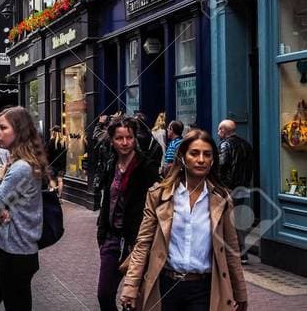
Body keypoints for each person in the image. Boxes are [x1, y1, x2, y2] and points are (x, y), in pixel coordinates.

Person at [121, 129, 248, 311]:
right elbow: (143, 243)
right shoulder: (159, 195)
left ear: (213, 160)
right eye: (194, 153)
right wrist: (131, 286)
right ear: (182, 157)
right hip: (164, 284)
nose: (201, 159)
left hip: (203, 289)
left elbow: (231, 249)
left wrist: (240, 292)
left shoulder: (222, 199)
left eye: (207, 154)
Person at [0, 106, 46, 310]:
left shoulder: (20, 168)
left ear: (19, 131)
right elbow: (4, 205)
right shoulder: (22, 164)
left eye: (2, 128)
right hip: (8, 250)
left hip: (15, 255)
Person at [95, 118, 159, 311]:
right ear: (112, 140)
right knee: (104, 295)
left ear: (135, 139)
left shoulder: (146, 167)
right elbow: (106, 201)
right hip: (113, 239)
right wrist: (103, 234)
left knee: (135, 299)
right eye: (119, 138)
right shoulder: (110, 164)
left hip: (138, 241)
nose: (125, 142)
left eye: (129, 137)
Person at [217, 119, 254, 263]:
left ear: (223, 131)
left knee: (227, 219)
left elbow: (221, 165)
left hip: (228, 187)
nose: (218, 133)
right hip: (243, 187)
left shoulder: (225, 145)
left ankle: (231, 252)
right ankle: (241, 253)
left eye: (219, 130)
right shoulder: (246, 145)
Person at [45, 126, 67, 195]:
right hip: (62, 165)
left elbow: (47, 153)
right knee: (60, 180)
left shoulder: (51, 141)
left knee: (52, 179)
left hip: (52, 164)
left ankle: (55, 196)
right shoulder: (64, 142)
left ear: (54, 132)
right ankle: (60, 195)